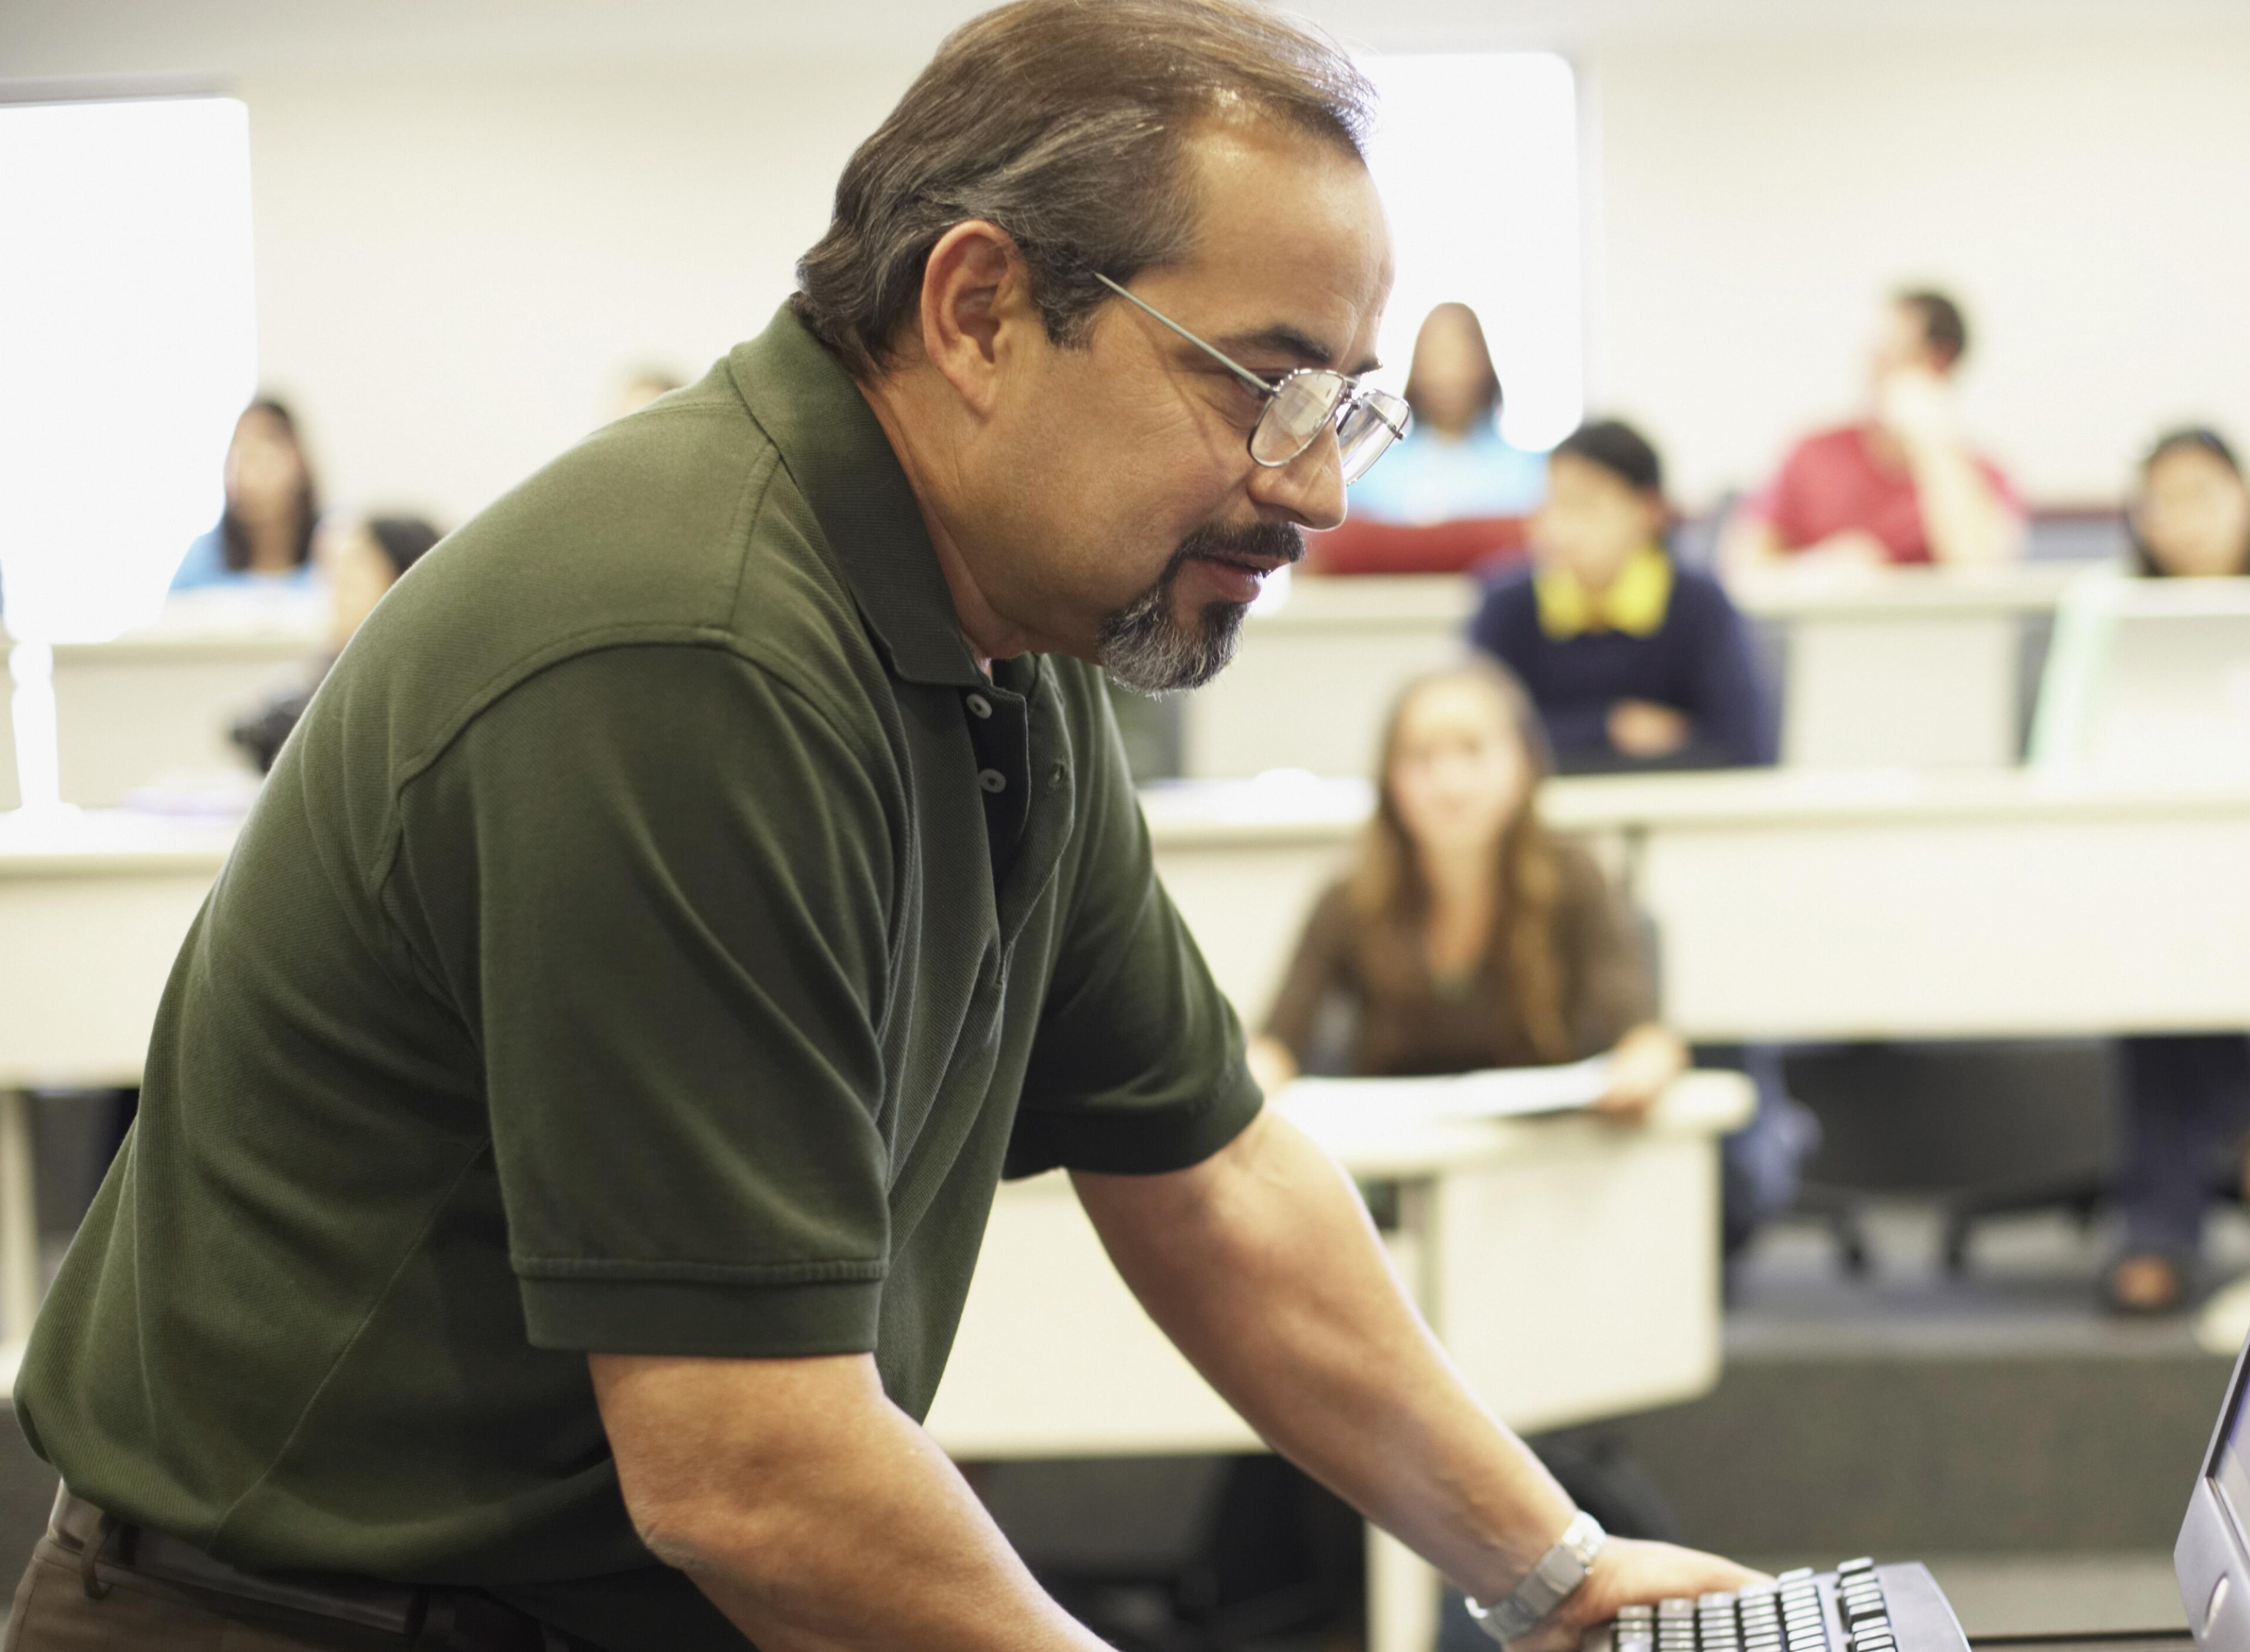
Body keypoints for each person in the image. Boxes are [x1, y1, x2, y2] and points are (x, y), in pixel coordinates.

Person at [10, 6, 1759, 1650]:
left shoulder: (1005, 631)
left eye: (1348, 410)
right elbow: (744, 1460)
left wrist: (1553, 1571)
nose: (1312, 487)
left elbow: (1211, 1176)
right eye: (1264, 388)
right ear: (981, 310)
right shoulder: (688, 648)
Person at [2032, 429, 2250, 1313]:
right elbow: (2061, 755)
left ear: (2248, 498)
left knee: (2162, 956)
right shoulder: (2107, 603)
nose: (2182, 520)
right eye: (2163, 499)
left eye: (2203, 494)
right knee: (2158, 944)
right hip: (2144, 859)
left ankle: (2157, 1231)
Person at [1247, 661, 1689, 1105]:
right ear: (1389, 779)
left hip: (1540, 1160)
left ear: (1523, 763)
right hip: (1397, 1157)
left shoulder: (1574, 877)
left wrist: (1644, 1067)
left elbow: (1644, 1038)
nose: (1449, 782)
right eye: (1421, 757)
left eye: (1473, 751)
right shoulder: (1348, 897)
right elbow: (1275, 1046)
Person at [1468, 420, 1773, 773]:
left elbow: (1745, 746)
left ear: (1649, 511)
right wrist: (1609, 728)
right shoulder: (1508, 603)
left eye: (1583, 505)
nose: (1558, 528)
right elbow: (1481, 740)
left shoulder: (1700, 604)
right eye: (1551, 504)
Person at [1723, 288, 2026, 572]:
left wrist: (1933, 440)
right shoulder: (1814, 453)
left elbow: (1980, 568)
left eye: (1891, 353)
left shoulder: (1981, 475)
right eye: (1874, 352)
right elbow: (1742, 561)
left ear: (1937, 363)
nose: (1873, 368)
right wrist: (1817, 568)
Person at [228, 514, 444, 772]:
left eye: (349, 585)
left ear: (403, 590)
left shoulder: (412, 702)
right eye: (331, 581)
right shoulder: (327, 675)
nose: (334, 602)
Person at [1347, 302, 1547, 527]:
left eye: (1459, 356)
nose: (1447, 373)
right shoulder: (1369, 477)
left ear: (1484, 367)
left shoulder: (1530, 473)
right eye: (1436, 356)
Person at [167, 398, 322, 591]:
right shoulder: (204, 559)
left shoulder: (336, 550)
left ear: (298, 462)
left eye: (261, 459)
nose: (247, 478)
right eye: (237, 461)